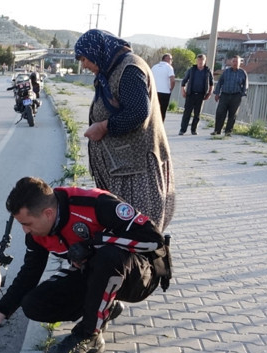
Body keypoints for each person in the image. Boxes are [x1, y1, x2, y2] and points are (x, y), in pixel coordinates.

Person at [0, 177, 170, 353]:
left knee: (107, 256)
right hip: (97, 273)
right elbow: (28, 277)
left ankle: (89, 335)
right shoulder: (37, 233)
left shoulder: (94, 204)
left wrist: (95, 243)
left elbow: (154, 240)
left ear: (47, 213)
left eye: (27, 223)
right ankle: (104, 308)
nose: (25, 230)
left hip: (141, 275)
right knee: (33, 304)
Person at [75, 29, 175, 233]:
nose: (83, 64)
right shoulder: (110, 70)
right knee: (125, 230)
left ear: (97, 51)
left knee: (139, 229)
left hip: (135, 170)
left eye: (85, 58)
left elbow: (138, 113)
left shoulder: (129, 68)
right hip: (123, 168)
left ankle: (146, 263)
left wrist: (103, 127)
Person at [212, 55, 248, 136]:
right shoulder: (226, 72)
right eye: (234, 61)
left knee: (232, 114)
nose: (235, 63)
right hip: (225, 95)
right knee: (220, 112)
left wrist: (242, 94)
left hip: (236, 96)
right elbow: (220, 82)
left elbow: (245, 85)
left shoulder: (242, 73)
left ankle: (228, 131)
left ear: (240, 63)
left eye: (237, 62)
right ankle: (217, 130)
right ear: (231, 62)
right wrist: (217, 93)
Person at [178, 54, 214, 136]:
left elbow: (211, 83)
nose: (200, 62)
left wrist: (209, 93)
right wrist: (183, 90)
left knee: (197, 114)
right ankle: (182, 130)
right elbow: (184, 81)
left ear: (205, 61)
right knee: (187, 113)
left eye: (202, 60)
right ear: (196, 61)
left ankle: (193, 130)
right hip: (190, 94)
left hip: (201, 95)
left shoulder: (208, 71)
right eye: (199, 60)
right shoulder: (191, 70)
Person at [150, 53, 176, 120]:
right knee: (162, 111)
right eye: (171, 59)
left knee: (153, 110)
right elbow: (172, 80)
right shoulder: (169, 67)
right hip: (165, 92)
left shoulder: (154, 67)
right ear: (167, 59)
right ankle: (160, 127)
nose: (171, 61)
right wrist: (171, 89)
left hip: (154, 91)